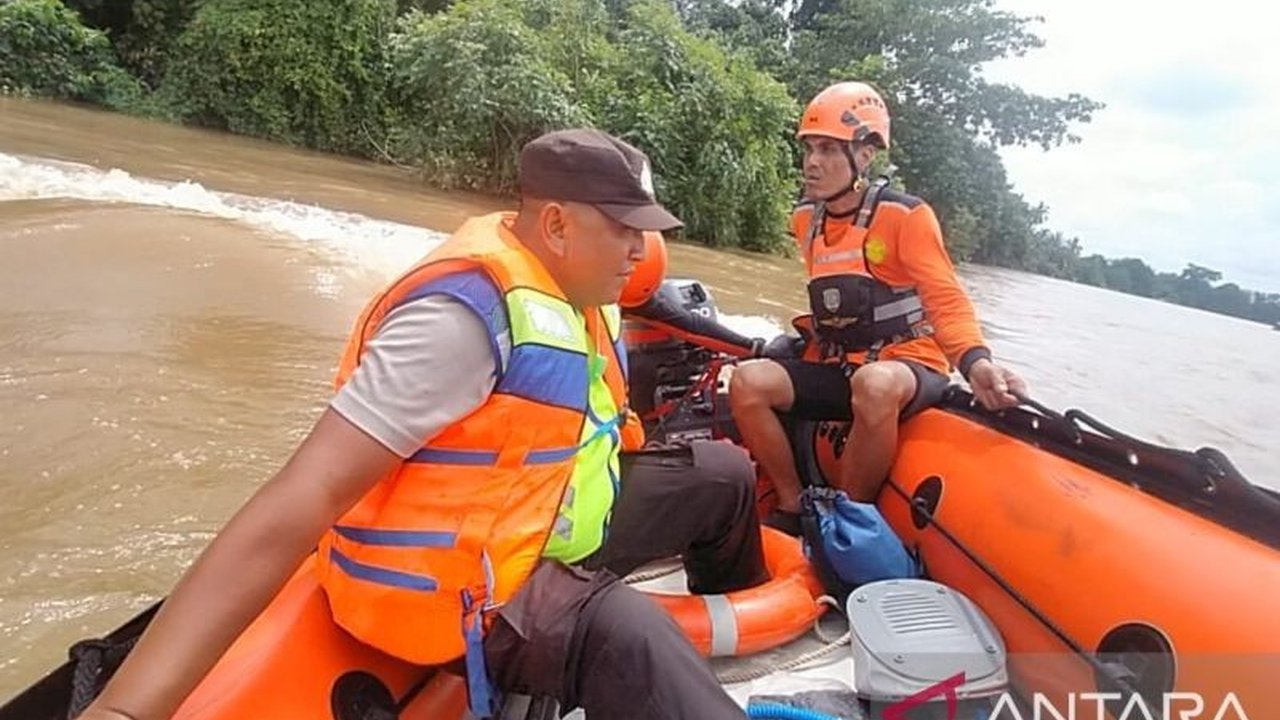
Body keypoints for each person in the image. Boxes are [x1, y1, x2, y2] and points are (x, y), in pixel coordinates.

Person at [80, 128, 765, 720]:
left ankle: (738, 647)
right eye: (624, 228)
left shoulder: (582, 294)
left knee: (725, 475)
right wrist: (128, 704)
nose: (639, 251)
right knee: (629, 633)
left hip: (545, 517)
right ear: (555, 225)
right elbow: (304, 495)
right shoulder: (461, 321)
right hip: (471, 585)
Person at [729, 81, 1029, 532]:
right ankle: (793, 506)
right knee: (749, 381)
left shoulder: (904, 217)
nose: (812, 162)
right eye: (809, 149)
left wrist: (975, 361)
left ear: (865, 155)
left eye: (829, 149)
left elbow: (944, 296)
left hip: (908, 366)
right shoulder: (804, 220)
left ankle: (846, 522)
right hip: (842, 367)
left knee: (874, 384)